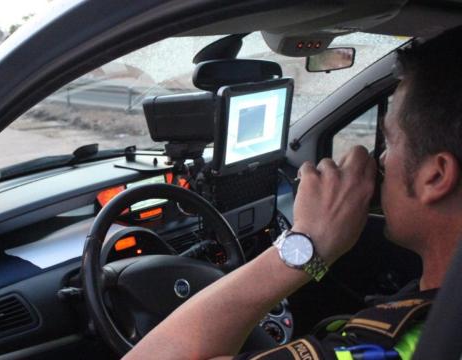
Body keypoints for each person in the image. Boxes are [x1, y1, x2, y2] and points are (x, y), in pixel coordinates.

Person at [124, 25, 462, 360]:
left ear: (436, 176)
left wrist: (306, 246)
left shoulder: (390, 350)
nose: (381, 159)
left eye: (389, 141)